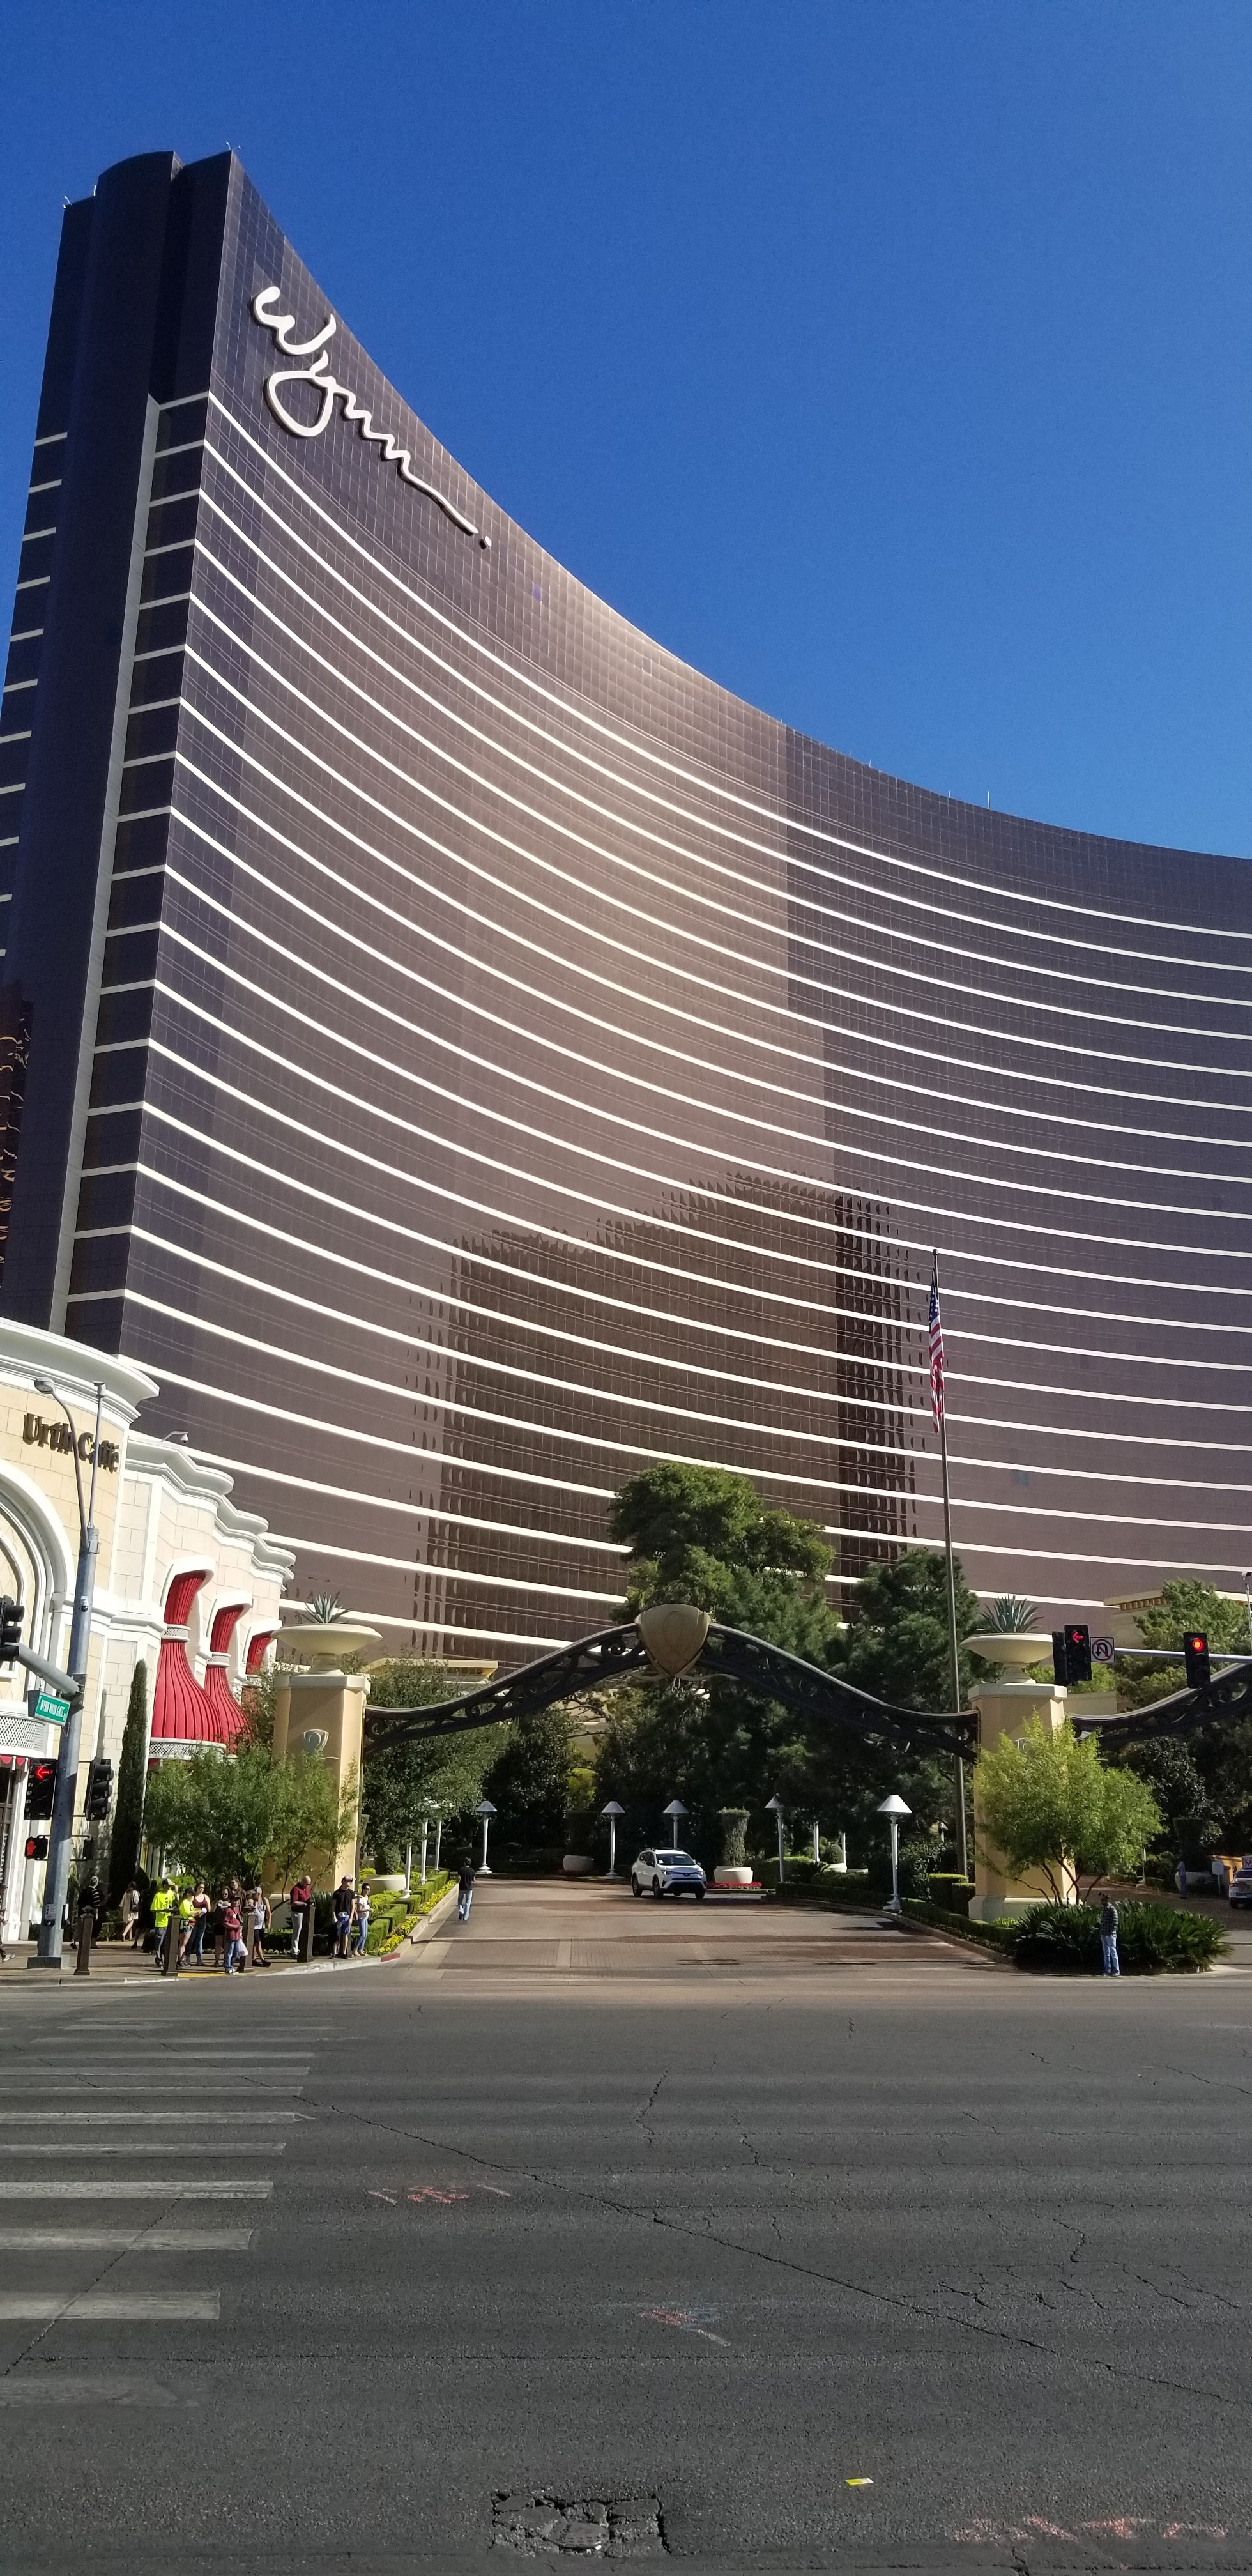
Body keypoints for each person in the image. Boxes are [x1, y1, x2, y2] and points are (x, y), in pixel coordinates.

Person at [150, 1877, 175, 1969]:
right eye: (169, 1886)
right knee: (159, 1942)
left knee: (166, 1943)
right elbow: (153, 1909)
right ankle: (159, 1959)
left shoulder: (172, 1894)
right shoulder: (158, 1896)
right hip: (160, 1922)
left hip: (169, 1921)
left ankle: (165, 1959)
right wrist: (163, 1910)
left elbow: (174, 1904)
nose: (170, 1887)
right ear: (164, 1886)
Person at [185, 1883, 210, 1966]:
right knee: (191, 1938)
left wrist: (204, 1910)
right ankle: (187, 1957)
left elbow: (209, 1909)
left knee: (199, 1939)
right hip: (193, 1919)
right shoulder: (193, 1897)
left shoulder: (206, 1897)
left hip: (202, 1920)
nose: (201, 1889)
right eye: (200, 1887)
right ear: (197, 1887)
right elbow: (189, 1908)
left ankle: (199, 1958)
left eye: (203, 1888)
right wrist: (198, 1910)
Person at [289, 1872, 313, 1963]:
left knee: (304, 1931)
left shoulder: (307, 1889)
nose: (308, 1886)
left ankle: (301, 1949)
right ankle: (294, 1951)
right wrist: (304, 1904)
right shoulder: (296, 1889)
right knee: (297, 1931)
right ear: (303, 1881)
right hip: (297, 1912)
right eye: (307, 1884)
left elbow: (309, 1897)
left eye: (309, 1884)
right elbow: (294, 1902)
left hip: (306, 1913)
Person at [331, 1876, 355, 1959]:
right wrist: (334, 1916)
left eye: (351, 1881)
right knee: (337, 1934)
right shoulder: (337, 1893)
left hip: (347, 1916)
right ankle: (334, 1953)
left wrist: (351, 1918)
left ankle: (344, 1953)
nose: (350, 1882)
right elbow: (333, 1906)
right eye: (349, 1881)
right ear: (344, 1881)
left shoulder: (351, 1893)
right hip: (339, 1916)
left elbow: (353, 1906)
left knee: (346, 1934)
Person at [222, 1892, 245, 1974]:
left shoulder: (236, 1910)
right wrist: (235, 1927)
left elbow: (238, 1919)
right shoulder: (228, 1911)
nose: (236, 1902)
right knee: (230, 1952)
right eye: (234, 1900)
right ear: (231, 1901)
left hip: (237, 1935)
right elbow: (225, 1923)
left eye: (237, 1900)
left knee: (237, 1952)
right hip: (231, 1934)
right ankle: (228, 1968)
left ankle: (230, 1965)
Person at [248, 1885, 269, 1965]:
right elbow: (249, 1904)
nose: (253, 1895)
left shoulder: (264, 1901)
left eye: (255, 1894)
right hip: (254, 1926)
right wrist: (250, 1902)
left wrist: (269, 1922)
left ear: (259, 1894)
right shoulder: (252, 1901)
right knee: (258, 1943)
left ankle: (253, 1960)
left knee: (255, 1944)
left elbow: (268, 1912)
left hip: (261, 1926)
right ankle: (263, 1960)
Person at [1099, 1895, 1120, 1978]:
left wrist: (1111, 1932)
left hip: (1110, 1934)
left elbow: (1115, 1922)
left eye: (1103, 1900)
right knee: (1106, 1953)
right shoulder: (1104, 1910)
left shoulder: (1112, 1910)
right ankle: (1107, 1970)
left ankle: (1117, 1971)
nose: (1102, 1902)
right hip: (1104, 1933)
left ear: (1107, 1900)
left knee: (1113, 1952)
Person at [119, 1882, 142, 1946]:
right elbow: (137, 1901)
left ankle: (130, 1937)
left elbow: (122, 1904)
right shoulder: (135, 1893)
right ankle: (124, 1934)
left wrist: (121, 1911)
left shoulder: (126, 1894)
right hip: (132, 1910)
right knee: (131, 1922)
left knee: (128, 1922)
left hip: (126, 1910)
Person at [351, 1884, 372, 1955]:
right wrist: (368, 1910)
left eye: (369, 1889)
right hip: (362, 1918)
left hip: (365, 1917)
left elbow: (367, 1906)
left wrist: (369, 1904)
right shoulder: (360, 1898)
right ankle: (355, 1949)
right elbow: (359, 1910)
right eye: (367, 1889)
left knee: (365, 1935)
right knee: (363, 1934)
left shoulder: (366, 1898)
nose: (368, 1891)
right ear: (363, 1889)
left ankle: (361, 1950)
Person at [457, 1855, 476, 1923]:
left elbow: (458, 1878)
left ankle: (461, 1910)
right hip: (469, 1888)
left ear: (465, 1863)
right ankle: (465, 1917)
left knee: (460, 1901)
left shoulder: (461, 1869)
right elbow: (474, 1880)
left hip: (462, 1887)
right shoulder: (472, 1871)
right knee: (468, 1903)